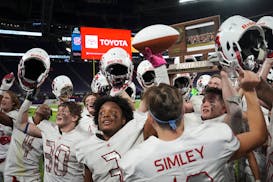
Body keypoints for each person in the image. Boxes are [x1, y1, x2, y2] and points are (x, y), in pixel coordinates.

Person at [119, 68, 267, 181]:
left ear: (150, 119)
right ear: (183, 112)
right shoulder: (214, 137)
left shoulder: (133, 162)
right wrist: (249, 90)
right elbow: (259, 136)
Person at [15, 94, 89, 182]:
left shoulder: (83, 139)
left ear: (74, 117)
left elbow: (90, 171)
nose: (59, 113)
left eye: (64, 111)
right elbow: (20, 124)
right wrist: (28, 100)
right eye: (59, 111)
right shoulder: (48, 129)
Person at [75, 94, 148, 182]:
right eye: (101, 113)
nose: (106, 115)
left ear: (123, 119)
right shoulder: (86, 147)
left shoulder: (135, 130)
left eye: (113, 112)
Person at [4, 104, 52, 181]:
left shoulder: (48, 130)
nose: (46, 107)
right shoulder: (21, 120)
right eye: (42, 106)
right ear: (35, 111)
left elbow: (47, 159)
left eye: (48, 108)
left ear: (49, 116)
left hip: (32, 175)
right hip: (13, 173)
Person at [0, 72, 19, 180]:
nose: (3, 99)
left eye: (6, 98)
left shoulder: (16, 115)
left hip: (9, 160)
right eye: (2, 97)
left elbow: (4, 119)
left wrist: (3, 89)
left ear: (13, 103)